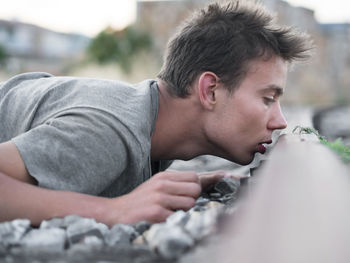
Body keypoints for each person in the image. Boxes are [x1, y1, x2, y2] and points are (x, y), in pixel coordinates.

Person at [0, 1, 311, 227]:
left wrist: (180, 185)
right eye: (268, 98)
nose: (280, 121)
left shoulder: (147, 122)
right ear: (210, 91)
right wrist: (113, 210)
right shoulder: (110, 132)